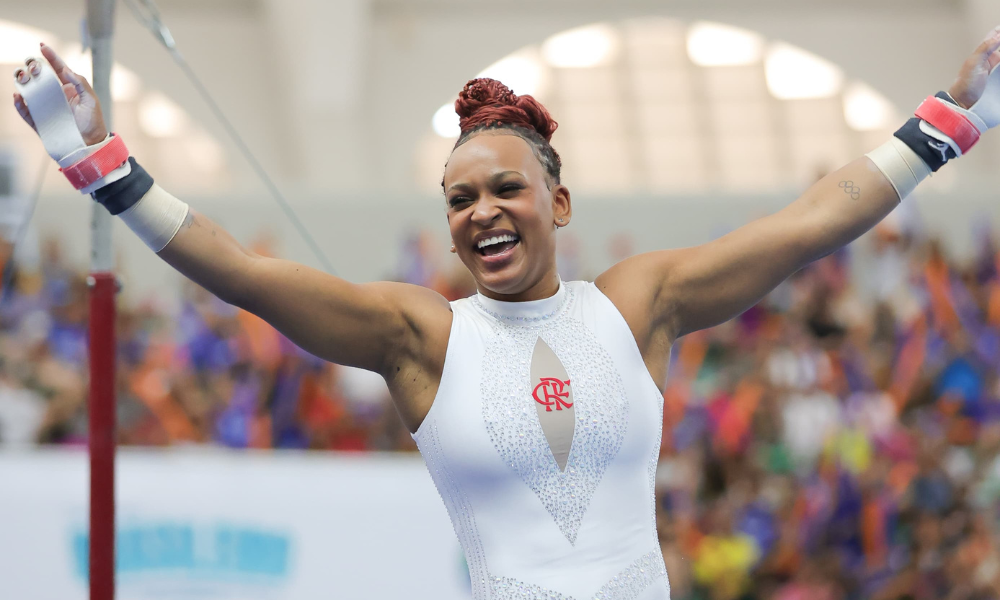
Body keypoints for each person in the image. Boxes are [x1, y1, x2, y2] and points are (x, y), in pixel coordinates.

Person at [11, 28, 1000, 599]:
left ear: (557, 204)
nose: (480, 209)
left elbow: (807, 225)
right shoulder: (424, 338)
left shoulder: (637, 305)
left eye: (504, 188)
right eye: (457, 198)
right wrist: (98, 162)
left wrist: (952, 119)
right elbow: (240, 272)